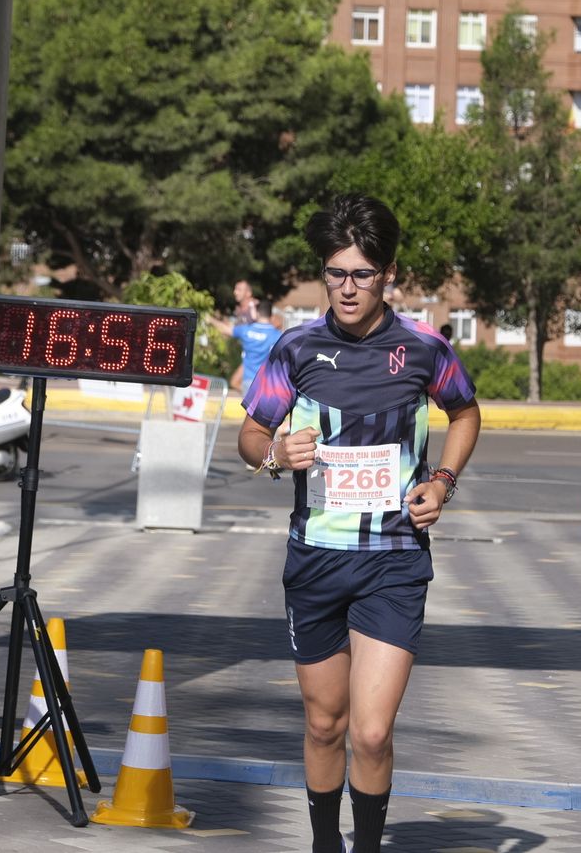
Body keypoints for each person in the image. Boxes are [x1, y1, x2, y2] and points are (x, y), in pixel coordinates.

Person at [238, 194, 481, 853]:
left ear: (388, 274)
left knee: (370, 731)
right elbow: (251, 432)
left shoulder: (425, 348)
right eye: (336, 272)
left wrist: (442, 482)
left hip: (394, 559)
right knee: (324, 724)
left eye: (362, 273)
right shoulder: (296, 348)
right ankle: (325, 843)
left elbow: (465, 414)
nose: (347, 287)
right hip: (315, 556)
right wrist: (272, 453)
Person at [231, 299, 284, 395]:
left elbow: (228, 329)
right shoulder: (276, 335)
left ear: (258, 313)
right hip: (266, 381)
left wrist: (210, 319)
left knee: (235, 382)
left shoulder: (246, 330)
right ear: (271, 316)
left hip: (249, 379)